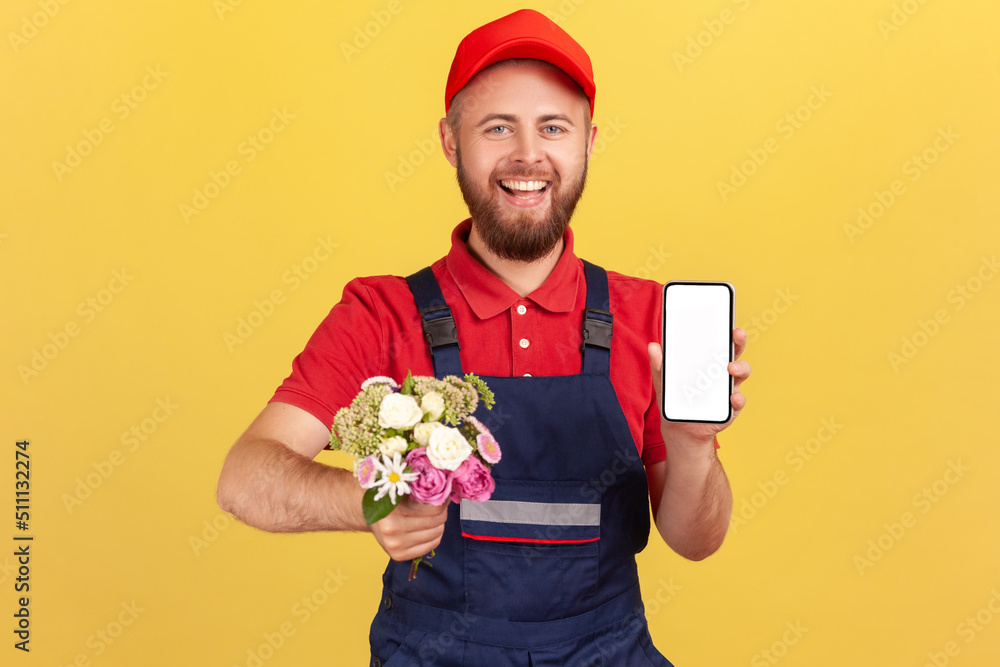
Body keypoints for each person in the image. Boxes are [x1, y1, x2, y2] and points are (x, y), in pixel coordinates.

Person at [217, 8, 750, 666]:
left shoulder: (648, 318)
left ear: (588, 140)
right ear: (450, 141)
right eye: (498, 127)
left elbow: (698, 540)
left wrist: (691, 445)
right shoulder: (383, 314)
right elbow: (244, 478)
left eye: (553, 127)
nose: (528, 155)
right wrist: (371, 500)